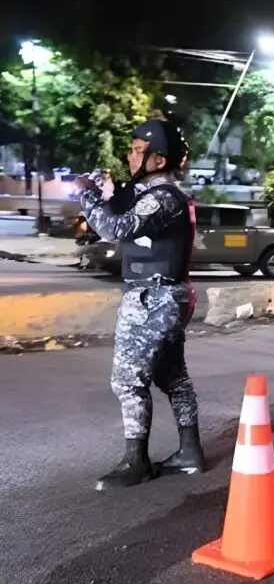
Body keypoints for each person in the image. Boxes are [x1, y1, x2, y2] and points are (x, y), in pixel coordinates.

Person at [74, 119, 203, 490]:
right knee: (171, 376)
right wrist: (108, 192)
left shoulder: (164, 197)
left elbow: (116, 228)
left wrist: (87, 196)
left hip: (153, 298)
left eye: (137, 150)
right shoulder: (155, 194)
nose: (130, 156)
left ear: (158, 159)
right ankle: (189, 453)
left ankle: (136, 461)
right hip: (164, 295)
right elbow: (122, 209)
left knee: (128, 379)